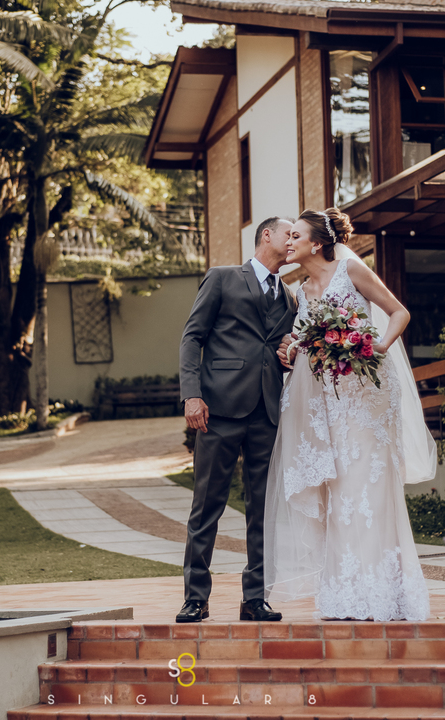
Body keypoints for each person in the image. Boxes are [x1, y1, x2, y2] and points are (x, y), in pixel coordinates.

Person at [265, 208, 437, 621]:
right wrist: (291, 349)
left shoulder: (352, 269)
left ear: (317, 243)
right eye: (286, 238)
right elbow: (308, 344)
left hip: (369, 397)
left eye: (296, 237)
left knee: (370, 489)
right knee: (339, 492)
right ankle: (347, 592)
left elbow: (399, 313)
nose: (288, 243)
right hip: (329, 404)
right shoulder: (303, 290)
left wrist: (377, 345)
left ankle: (386, 592)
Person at [177, 216, 297, 623]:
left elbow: (280, 349)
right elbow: (192, 337)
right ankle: (196, 597)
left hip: (266, 412)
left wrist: (288, 356)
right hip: (218, 409)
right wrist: (192, 394)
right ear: (267, 235)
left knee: (261, 510)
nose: (294, 240)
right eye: (289, 233)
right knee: (206, 506)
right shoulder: (223, 278)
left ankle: (254, 597)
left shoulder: (291, 297)